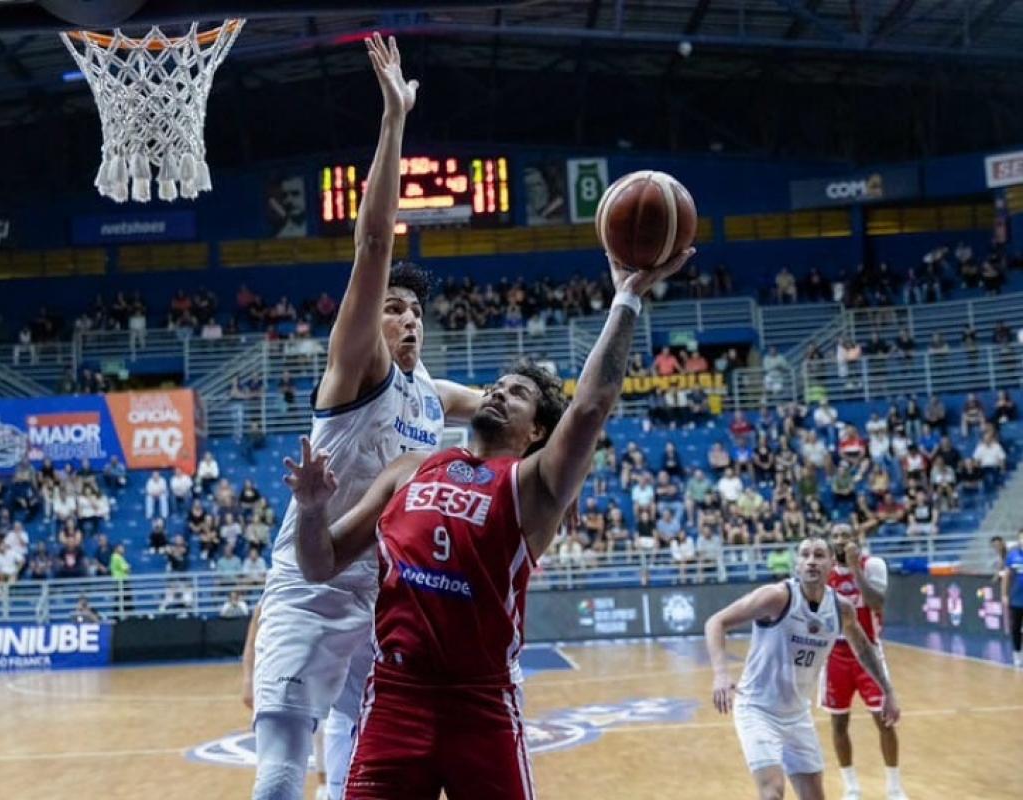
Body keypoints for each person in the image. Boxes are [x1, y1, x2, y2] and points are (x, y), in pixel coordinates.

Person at [284, 241, 692, 797]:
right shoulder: (410, 469)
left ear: (538, 433)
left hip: (481, 706)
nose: (499, 392)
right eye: (498, 386)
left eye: (518, 394)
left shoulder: (532, 489)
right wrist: (310, 510)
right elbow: (318, 562)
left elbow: (591, 406)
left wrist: (626, 299)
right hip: (397, 698)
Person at [250, 34, 482, 800]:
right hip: (314, 583)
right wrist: (393, 120)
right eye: (391, 308)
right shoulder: (356, 371)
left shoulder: (433, 395)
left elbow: (512, 411)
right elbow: (376, 239)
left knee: (366, 771)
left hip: (385, 598)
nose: (405, 319)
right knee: (284, 767)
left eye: (413, 310)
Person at [705, 537, 901, 800]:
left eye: (819, 555)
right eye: (805, 555)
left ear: (832, 564)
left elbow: (863, 648)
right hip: (757, 710)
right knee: (772, 792)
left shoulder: (841, 608)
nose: (811, 561)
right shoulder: (776, 597)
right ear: (796, 564)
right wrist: (720, 673)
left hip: (797, 714)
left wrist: (887, 690)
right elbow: (716, 622)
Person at [822, 527, 908, 799]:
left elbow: (876, 603)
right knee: (838, 725)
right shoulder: (825, 572)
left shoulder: (873, 565)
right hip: (835, 656)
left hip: (869, 654)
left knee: (885, 722)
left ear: (856, 540)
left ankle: (894, 788)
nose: (839, 541)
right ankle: (851, 787)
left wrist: (855, 569)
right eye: (835, 537)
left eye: (845, 535)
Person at [1005, 529, 1023, 669]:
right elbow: (1007, 577)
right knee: (1016, 628)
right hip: (1016, 600)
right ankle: (1017, 654)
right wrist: (1004, 595)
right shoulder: (1012, 556)